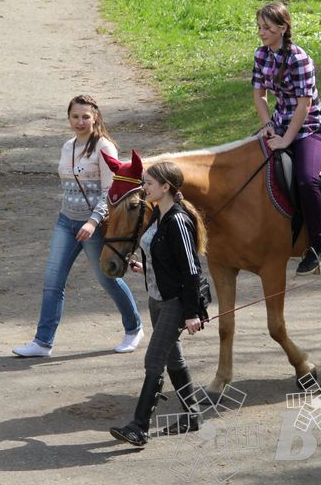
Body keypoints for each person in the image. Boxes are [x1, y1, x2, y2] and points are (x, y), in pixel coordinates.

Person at [12, 95, 143, 358]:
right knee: (53, 281)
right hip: (66, 221)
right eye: (75, 117)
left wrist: (93, 222)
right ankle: (43, 342)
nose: (80, 122)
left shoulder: (104, 147)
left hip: (92, 225)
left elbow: (110, 191)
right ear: (69, 118)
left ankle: (134, 328)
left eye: (85, 117)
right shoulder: (68, 146)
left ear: (95, 117)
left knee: (108, 279)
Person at [109, 160, 209, 447]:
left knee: (153, 360)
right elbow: (165, 258)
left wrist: (192, 312)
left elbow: (191, 270)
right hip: (157, 298)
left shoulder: (178, 220)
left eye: (149, 183)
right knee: (173, 358)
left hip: (175, 302)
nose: (145, 187)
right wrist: (146, 267)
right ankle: (192, 415)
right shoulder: (158, 214)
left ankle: (139, 427)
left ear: (166, 187)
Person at [252, 1, 321, 275]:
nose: (261, 32)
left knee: (307, 180)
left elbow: (304, 106)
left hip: (308, 127)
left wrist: (286, 140)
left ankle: (318, 246)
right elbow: (259, 96)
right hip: (278, 124)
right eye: (259, 27)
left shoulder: (299, 59)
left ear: (283, 28)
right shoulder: (261, 55)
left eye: (267, 27)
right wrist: (267, 125)